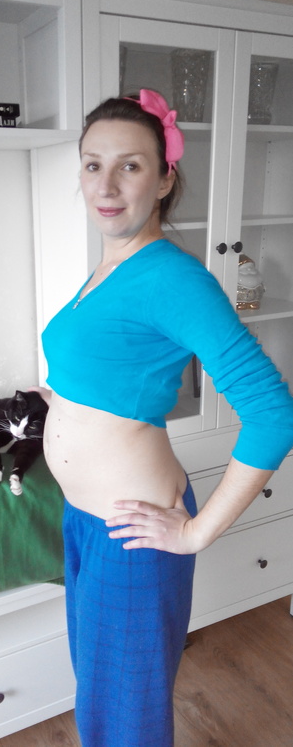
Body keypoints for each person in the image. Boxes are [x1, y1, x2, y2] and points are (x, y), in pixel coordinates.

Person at [31, 90, 293, 747]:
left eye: (130, 165)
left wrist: (197, 533)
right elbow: (120, 372)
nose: (106, 185)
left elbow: (271, 412)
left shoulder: (174, 279)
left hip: (134, 532)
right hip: (86, 520)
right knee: (101, 694)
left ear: (165, 178)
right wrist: (64, 405)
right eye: (93, 165)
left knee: (126, 717)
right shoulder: (108, 267)